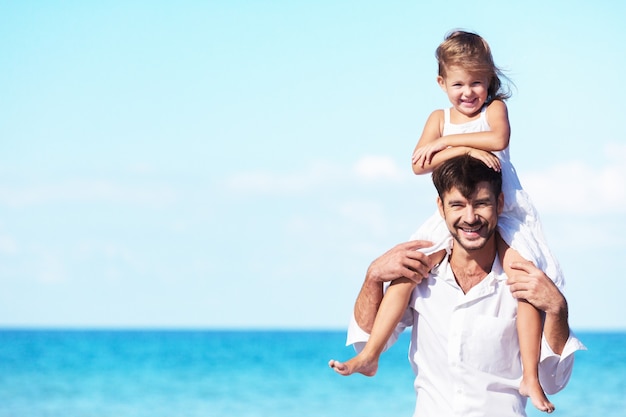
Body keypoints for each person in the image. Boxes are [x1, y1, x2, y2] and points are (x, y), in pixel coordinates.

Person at [329, 30, 562, 413]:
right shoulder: (439, 118)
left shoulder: (494, 111)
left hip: (505, 214)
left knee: (522, 278)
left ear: (489, 81)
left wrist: (457, 146)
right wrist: (447, 144)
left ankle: (530, 377)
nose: (468, 92)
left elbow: (498, 140)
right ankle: (370, 353)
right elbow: (419, 163)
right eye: (458, 84)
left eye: (477, 82)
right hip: (463, 213)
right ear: (441, 83)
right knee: (410, 271)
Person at [329, 155, 585, 417]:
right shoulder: (420, 275)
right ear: (441, 208)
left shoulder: (525, 280)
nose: (470, 217)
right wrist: (372, 277)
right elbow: (367, 345)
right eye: (458, 205)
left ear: (499, 203)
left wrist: (557, 309)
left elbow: (553, 382)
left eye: (481, 204)